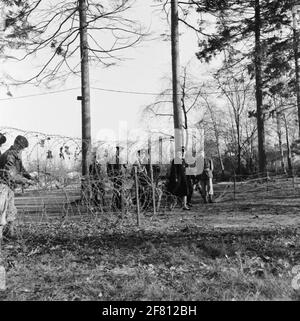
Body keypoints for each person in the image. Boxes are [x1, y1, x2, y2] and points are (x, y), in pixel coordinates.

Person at [0, 135, 35, 238]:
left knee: (10, 210)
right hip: (2, 186)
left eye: (22, 149)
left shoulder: (15, 155)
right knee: (1, 211)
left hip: (8, 186)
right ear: (16, 144)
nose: (21, 150)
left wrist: (29, 177)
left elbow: (21, 169)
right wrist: (25, 181)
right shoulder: (9, 156)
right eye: (20, 148)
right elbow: (9, 175)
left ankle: (9, 234)